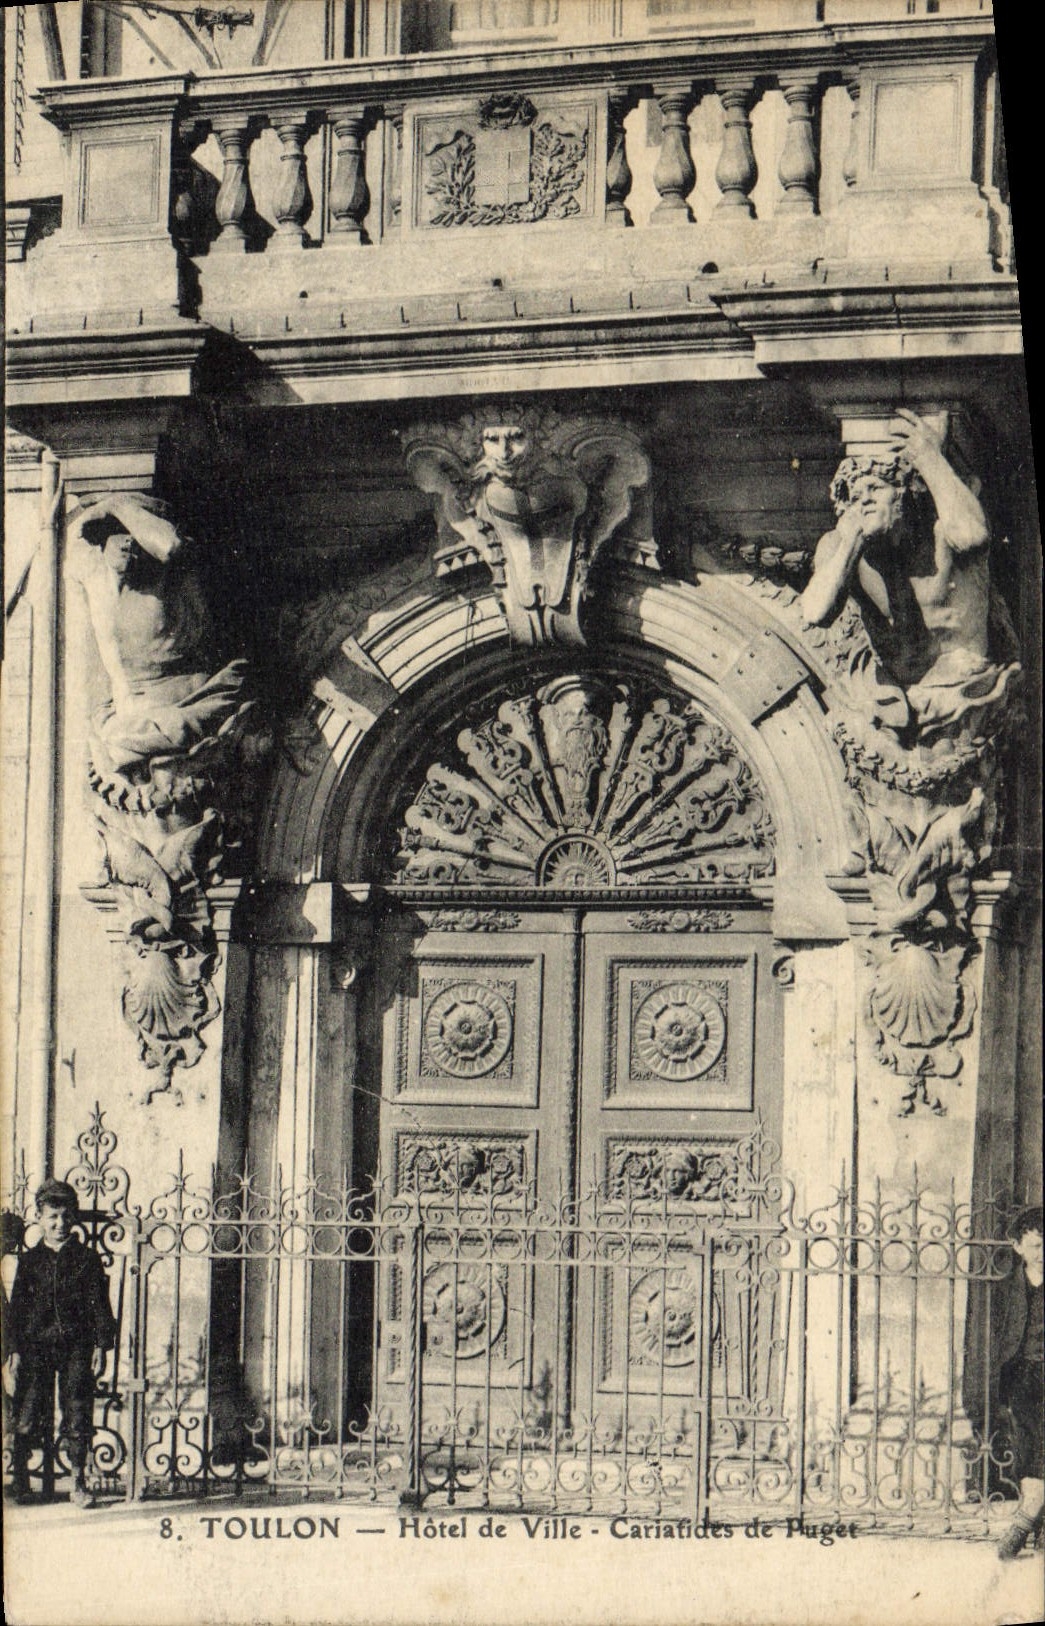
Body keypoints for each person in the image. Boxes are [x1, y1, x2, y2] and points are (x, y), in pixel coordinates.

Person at [801, 409, 1017, 737]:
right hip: (895, 706)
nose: (865, 501)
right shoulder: (843, 545)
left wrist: (928, 457)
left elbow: (973, 535)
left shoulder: (943, 529)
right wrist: (854, 539)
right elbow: (815, 611)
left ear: (902, 491)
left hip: (965, 693)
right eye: (856, 495)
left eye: (876, 488)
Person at [66, 492, 249, 778]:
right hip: (131, 726)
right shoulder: (93, 581)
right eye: (117, 532)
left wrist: (117, 505)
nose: (127, 540)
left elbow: (169, 545)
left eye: (133, 530)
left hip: (181, 715)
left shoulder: (176, 576)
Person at [2, 1181, 116, 1509]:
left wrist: (100, 1345)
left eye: (66, 1217)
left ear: (74, 1218)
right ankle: (22, 1479)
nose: (59, 1224)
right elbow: (18, 1310)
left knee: (78, 1410)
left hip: (76, 1348)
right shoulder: (30, 1261)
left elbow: (99, 1305)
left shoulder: (86, 1259)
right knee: (28, 1409)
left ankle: (78, 1482)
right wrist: (14, 1352)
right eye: (52, 1217)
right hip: (36, 1348)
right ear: (39, 1218)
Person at [995, 1205, 1044, 1560]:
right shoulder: (1009, 1287)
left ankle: (1024, 1523)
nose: (1043, 1254)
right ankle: (1038, 1523)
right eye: (1036, 1245)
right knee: (1027, 1452)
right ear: (1018, 1246)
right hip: (1022, 1375)